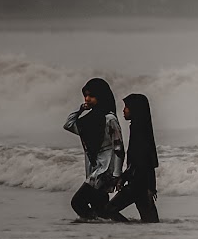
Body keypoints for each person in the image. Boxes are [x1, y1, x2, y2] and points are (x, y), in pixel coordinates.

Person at [63, 78, 124, 220]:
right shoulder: (88, 121)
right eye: (85, 96)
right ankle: (117, 227)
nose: (87, 99)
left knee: (77, 202)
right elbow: (68, 124)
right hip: (94, 168)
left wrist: (117, 174)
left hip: (105, 170)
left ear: (101, 96)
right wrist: (80, 110)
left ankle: (91, 223)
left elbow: (119, 148)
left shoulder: (110, 119)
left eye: (91, 96)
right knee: (102, 209)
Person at [108, 93, 160, 223]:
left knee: (109, 210)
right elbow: (148, 162)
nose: (124, 110)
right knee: (151, 222)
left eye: (127, 107)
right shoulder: (140, 128)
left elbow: (141, 161)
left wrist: (123, 178)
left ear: (135, 109)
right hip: (142, 184)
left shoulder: (139, 130)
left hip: (137, 185)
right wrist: (151, 187)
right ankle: (137, 233)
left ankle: (131, 230)